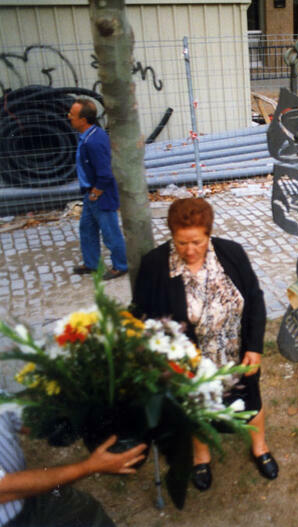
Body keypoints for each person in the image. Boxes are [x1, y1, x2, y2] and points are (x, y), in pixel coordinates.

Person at [132, 198, 277, 491]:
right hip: (190, 364)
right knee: (196, 409)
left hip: (235, 352)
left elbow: (255, 298)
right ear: (172, 234)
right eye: (181, 242)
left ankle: (259, 447)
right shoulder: (155, 265)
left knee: (252, 401)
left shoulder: (231, 254)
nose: (189, 249)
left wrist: (254, 347)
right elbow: (142, 315)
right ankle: (201, 455)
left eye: (196, 242)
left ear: (208, 234)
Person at [0, 406, 147, 527]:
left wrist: (76, 411)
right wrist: (89, 467)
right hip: (9, 518)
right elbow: (5, 488)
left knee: (87, 513)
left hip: (32, 496)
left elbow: (26, 420)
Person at [68, 99, 128, 281]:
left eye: (72, 114)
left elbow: (106, 173)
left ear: (84, 120)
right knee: (86, 229)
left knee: (110, 232)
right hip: (90, 194)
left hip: (100, 195)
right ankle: (92, 263)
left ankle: (121, 265)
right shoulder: (89, 135)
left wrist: (96, 193)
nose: (68, 116)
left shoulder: (93, 141)